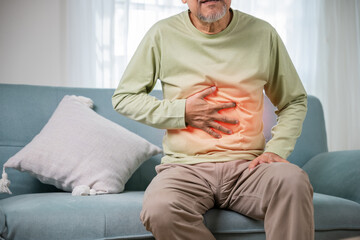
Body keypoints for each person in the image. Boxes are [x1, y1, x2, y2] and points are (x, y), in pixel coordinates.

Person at [112, 0, 314, 239]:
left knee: (292, 181)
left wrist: (277, 149)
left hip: (248, 167)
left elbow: (293, 100)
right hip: (184, 168)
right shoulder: (162, 34)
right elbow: (125, 98)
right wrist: (183, 112)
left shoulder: (263, 34)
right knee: (160, 209)